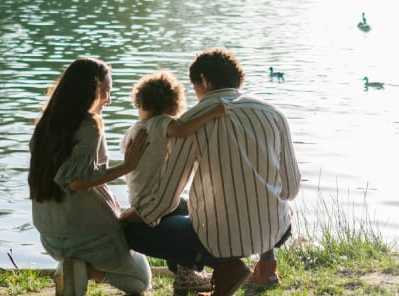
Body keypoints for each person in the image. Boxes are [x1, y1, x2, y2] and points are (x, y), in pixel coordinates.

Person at [122, 49, 300, 296]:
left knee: (133, 231)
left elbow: (166, 197)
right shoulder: (273, 113)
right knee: (259, 196)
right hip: (276, 231)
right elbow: (291, 189)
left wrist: (136, 215)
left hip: (221, 240)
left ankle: (226, 266)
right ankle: (266, 268)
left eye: (194, 86)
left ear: (204, 81)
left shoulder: (193, 120)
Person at [28, 57, 152, 296]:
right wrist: (128, 165)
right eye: (105, 91)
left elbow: (73, 177)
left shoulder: (44, 126)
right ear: (87, 91)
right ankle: (86, 271)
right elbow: (76, 181)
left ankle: (72, 267)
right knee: (142, 280)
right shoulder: (90, 125)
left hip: (50, 238)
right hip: (90, 239)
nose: (108, 99)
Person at [119, 71, 228, 292]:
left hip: (138, 196)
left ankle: (184, 273)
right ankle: (187, 272)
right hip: (153, 199)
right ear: (173, 104)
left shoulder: (133, 130)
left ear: (140, 102)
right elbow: (182, 129)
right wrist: (212, 113)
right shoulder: (162, 123)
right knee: (187, 210)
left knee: (180, 209)